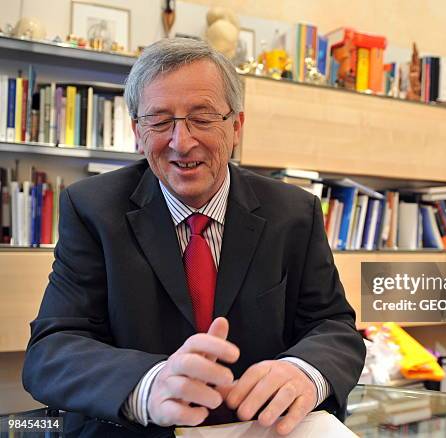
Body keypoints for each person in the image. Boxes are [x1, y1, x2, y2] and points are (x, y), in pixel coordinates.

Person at [22, 38, 366, 437]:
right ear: (137, 130)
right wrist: (148, 386)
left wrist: (304, 371)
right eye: (160, 120)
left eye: (201, 118)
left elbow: (333, 326)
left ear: (235, 126)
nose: (181, 143)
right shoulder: (92, 209)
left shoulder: (294, 212)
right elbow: (52, 350)